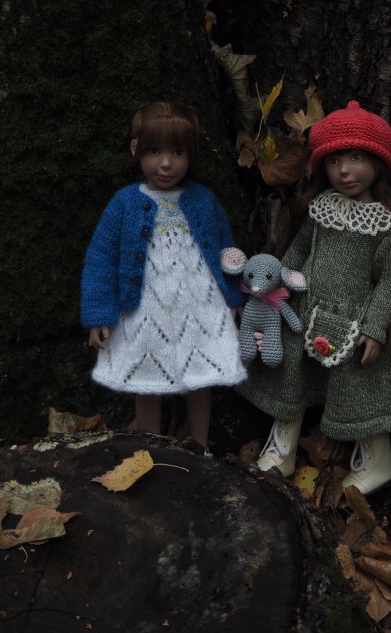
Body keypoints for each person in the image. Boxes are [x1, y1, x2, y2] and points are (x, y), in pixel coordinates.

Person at [237, 100, 391, 494]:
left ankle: (378, 460)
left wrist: (375, 328)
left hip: (353, 323)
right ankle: (283, 446)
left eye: (356, 158)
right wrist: (276, 286)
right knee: (290, 377)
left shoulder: (385, 224)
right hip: (303, 309)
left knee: (360, 390)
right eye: (333, 161)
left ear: (378, 162)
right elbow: (297, 253)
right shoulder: (320, 209)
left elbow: (389, 281)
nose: (344, 170)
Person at [80, 101, 247, 449]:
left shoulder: (203, 199)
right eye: (154, 151)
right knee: (146, 377)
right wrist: (99, 314)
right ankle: (149, 446)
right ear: (135, 150)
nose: (166, 163)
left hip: (198, 304)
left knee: (202, 374)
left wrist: (233, 296)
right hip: (144, 308)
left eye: (178, 152)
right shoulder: (125, 203)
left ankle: (200, 444)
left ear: (191, 154)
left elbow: (225, 249)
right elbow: (101, 258)